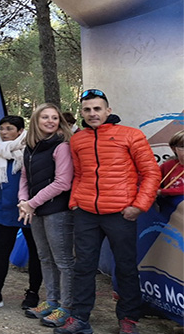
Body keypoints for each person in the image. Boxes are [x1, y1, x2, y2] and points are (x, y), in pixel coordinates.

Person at [55, 89, 160, 334]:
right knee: (83, 267)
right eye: (87, 109)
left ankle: (128, 319)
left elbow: (151, 173)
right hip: (86, 213)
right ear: (82, 112)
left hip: (120, 213)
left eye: (97, 109)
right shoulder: (78, 140)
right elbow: (79, 174)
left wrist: (138, 206)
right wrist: (75, 202)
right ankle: (80, 318)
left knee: (125, 267)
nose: (92, 113)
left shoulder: (131, 135)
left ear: (108, 110)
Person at [0, 115, 42, 313]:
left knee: (36, 253)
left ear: (20, 131)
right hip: (4, 211)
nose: (4, 132)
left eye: (9, 128)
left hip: (32, 211)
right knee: (1, 253)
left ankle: (33, 293)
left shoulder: (33, 150)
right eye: (1, 129)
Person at [17, 104, 74, 327]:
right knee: (44, 258)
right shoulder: (30, 147)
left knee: (63, 261)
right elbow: (24, 177)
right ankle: (51, 301)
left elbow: (63, 182)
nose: (50, 121)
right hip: (36, 210)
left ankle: (67, 307)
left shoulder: (62, 146)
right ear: (35, 120)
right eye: (45, 117)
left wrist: (31, 203)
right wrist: (23, 201)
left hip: (57, 211)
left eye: (54, 117)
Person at [157, 130, 184, 198]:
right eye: (182, 147)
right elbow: (153, 180)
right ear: (174, 149)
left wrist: (162, 192)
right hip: (167, 200)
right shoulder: (168, 165)